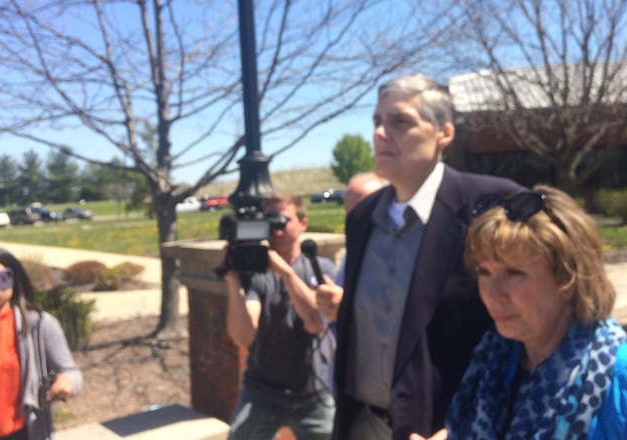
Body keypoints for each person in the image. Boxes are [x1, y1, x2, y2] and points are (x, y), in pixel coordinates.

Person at [411, 185, 627, 439]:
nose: (492, 293)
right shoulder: (487, 370)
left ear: (568, 278)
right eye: (484, 272)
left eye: (514, 273)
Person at [332, 74, 525, 440]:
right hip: (360, 425)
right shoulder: (362, 218)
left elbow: (541, 314)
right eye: (377, 121)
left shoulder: (490, 205)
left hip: (445, 429)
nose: (380, 133)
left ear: (444, 134)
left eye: (400, 121)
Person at [216, 194, 337, 440]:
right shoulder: (255, 273)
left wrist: (286, 273)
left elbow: (315, 322)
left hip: (313, 395)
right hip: (262, 394)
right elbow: (243, 336)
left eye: (281, 221)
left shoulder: (319, 267)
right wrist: (232, 279)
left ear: (303, 223)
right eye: (268, 221)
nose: (276, 230)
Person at [0, 247, 83, 440]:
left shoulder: (39, 325)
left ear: (15, 280)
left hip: (21, 432)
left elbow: (73, 374)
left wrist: (66, 383)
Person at [316, 172, 387, 321]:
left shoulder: (400, 253)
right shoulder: (351, 253)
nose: (355, 216)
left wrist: (347, 306)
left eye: (364, 206)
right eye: (349, 209)